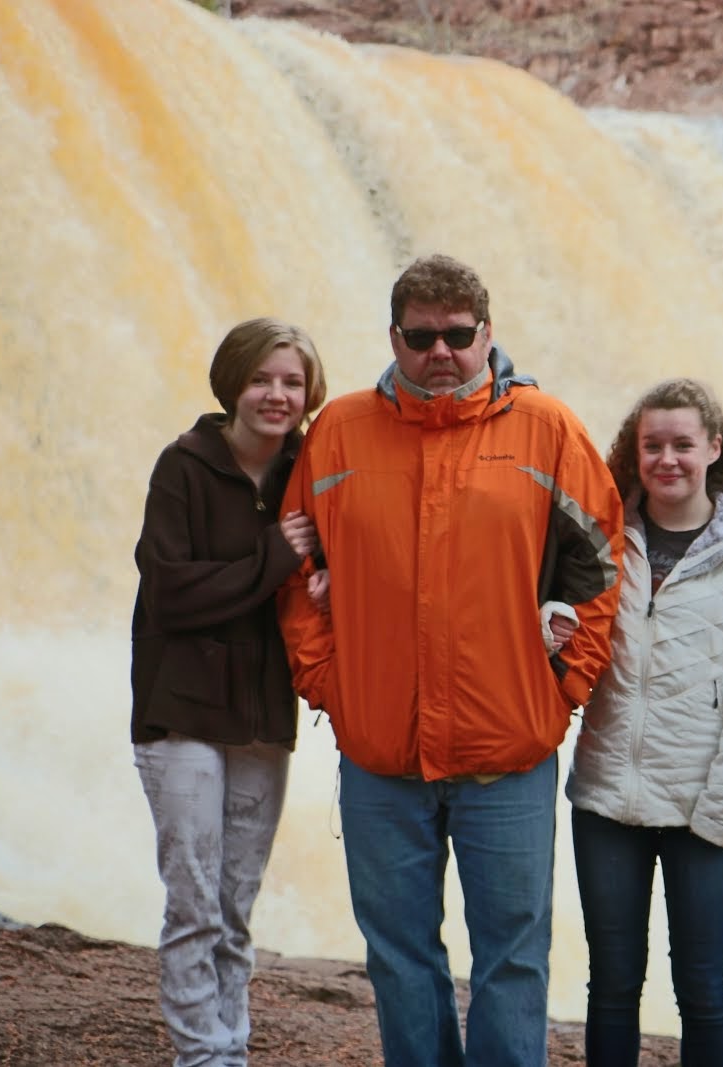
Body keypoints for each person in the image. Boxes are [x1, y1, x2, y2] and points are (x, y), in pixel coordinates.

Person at [276, 254, 625, 1067]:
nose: (443, 351)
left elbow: (605, 568)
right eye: (424, 336)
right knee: (399, 954)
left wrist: (561, 686)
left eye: (459, 335)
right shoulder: (339, 431)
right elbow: (297, 572)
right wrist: (329, 683)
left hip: (507, 752)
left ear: (487, 334)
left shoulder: (547, 429)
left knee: (511, 955)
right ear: (394, 337)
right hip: (380, 754)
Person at [565, 377, 723, 1067]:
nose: (667, 458)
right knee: (612, 985)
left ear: (714, 449)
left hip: (705, 807)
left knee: (702, 988)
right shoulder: (606, 535)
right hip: (607, 797)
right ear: (633, 452)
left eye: (682, 444)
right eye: (652, 445)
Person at [129, 317, 328, 1067]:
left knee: (234, 909)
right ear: (232, 382)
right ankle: (201, 1057)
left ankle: (230, 1051)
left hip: (261, 714)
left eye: (291, 381)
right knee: (193, 905)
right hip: (178, 713)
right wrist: (276, 556)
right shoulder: (182, 467)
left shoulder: (309, 468)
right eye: (261, 378)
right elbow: (172, 593)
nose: (276, 394)